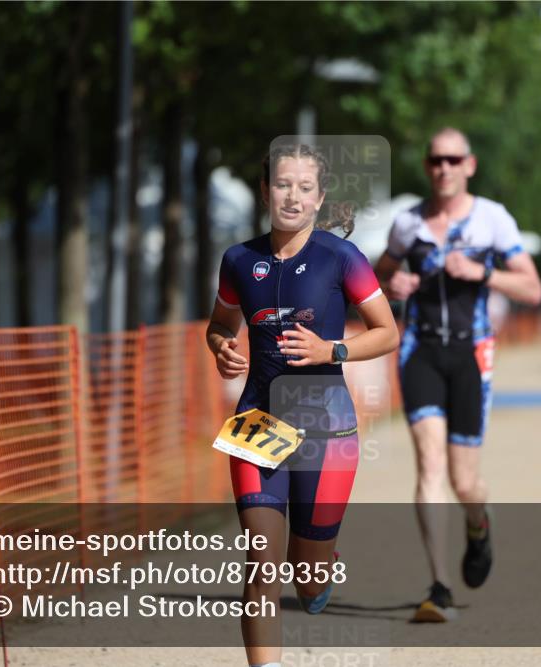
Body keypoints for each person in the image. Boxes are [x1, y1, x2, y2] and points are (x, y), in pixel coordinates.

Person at [206, 143, 399, 667]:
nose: (292, 196)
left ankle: (319, 562)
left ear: (319, 197)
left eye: (304, 187)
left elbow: (387, 333)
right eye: (282, 184)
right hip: (257, 422)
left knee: (307, 579)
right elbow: (220, 324)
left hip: (327, 430)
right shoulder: (238, 260)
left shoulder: (341, 258)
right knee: (261, 561)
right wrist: (221, 346)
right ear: (265, 190)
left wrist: (330, 350)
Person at [374, 128, 541, 622]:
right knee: (429, 466)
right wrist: (391, 282)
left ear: (469, 165)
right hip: (420, 351)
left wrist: (483, 273)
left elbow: (532, 289)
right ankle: (439, 586)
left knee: (464, 481)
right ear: (427, 166)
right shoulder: (408, 223)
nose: (443, 168)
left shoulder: (492, 219)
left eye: (453, 159)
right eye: (435, 160)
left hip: (471, 353)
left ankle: (478, 521)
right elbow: (374, 277)